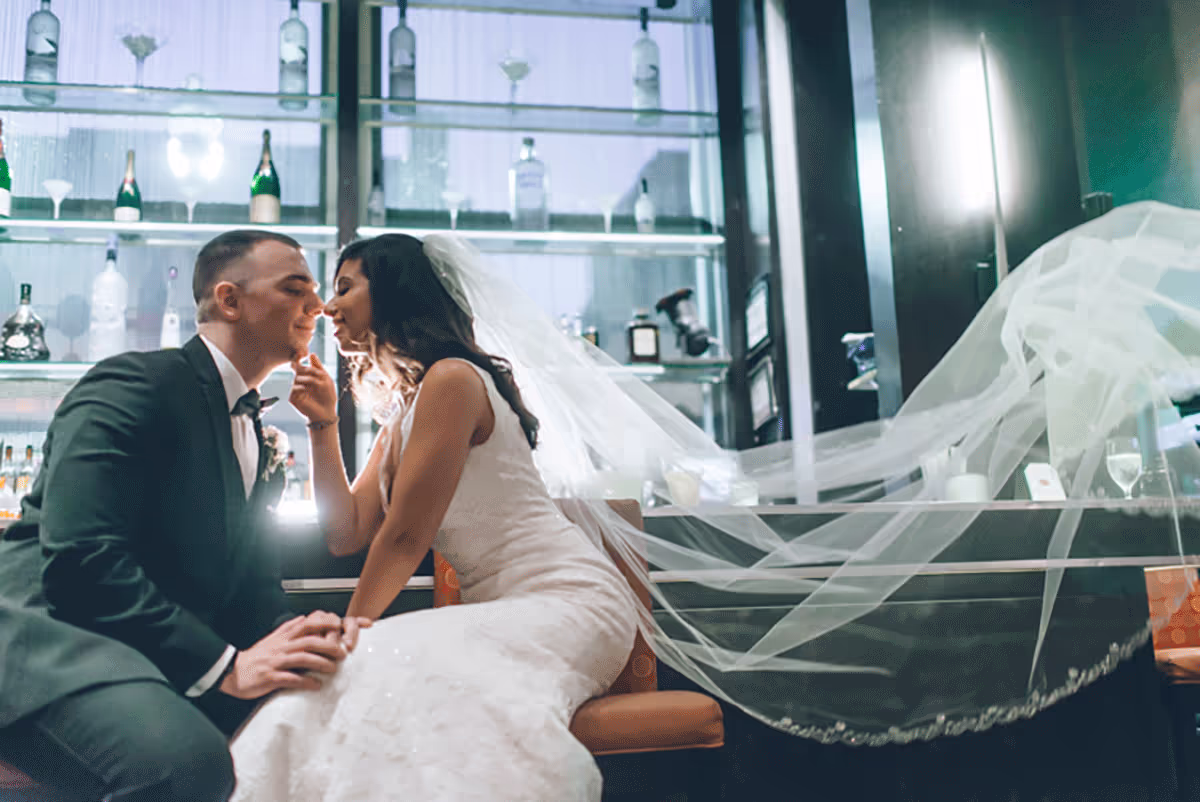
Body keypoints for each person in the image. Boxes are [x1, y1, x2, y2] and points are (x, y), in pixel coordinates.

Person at [228, 233, 640, 801]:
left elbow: (406, 535)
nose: (327, 307)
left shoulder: (452, 379)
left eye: (345, 287)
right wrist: (322, 424)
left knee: (360, 666)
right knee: (359, 680)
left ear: (393, 292)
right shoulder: (407, 410)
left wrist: (352, 631)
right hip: (503, 612)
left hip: (567, 601)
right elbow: (346, 532)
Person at [0, 230, 369, 802]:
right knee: (187, 765)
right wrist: (226, 667)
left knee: (340, 708)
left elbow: (248, 583)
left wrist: (298, 634)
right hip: (49, 642)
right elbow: (82, 562)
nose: (317, 307)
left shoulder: (253, 428)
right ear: (229, 300)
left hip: (147, 648)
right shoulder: (133, 384)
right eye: (295, 288)